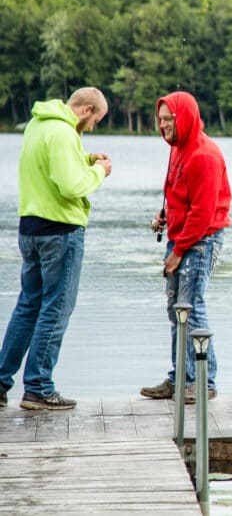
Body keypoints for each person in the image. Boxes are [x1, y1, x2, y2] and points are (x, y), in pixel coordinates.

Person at [0, 87, 112, 410]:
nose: (92, 128)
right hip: (60, 233)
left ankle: (2, 380)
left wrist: (86, 159)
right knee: (56, 308)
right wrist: (99, 172)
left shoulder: (38, 125)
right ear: (87, 109)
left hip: (30, 229)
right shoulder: (64, 133)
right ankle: (38, 386)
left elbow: (52, 169)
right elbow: (71, 185)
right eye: (96, 121)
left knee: (28, 306)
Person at [140, 92, 230, 403]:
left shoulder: (203, 156)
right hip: (180, 237)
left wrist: (179, 252)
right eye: (160, 119)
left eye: (168, 119)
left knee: (191, 308)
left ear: (185, 118)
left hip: (201, 240)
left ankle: (204, 382)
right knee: (175, 310)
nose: (162, 125)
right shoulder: (178, 150)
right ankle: (180, 377)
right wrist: (165, 216)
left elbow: (204, 214)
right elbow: (182, 197)